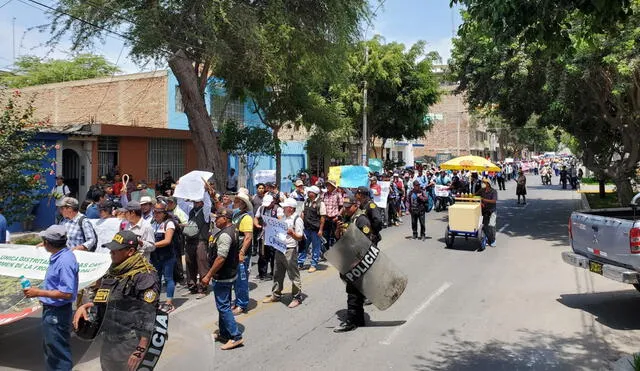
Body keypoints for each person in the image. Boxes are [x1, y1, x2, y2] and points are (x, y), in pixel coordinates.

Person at [73, 230, 159, 371]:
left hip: (130, 343)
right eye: (111, 249)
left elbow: (149, 315)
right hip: (109, 342)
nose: (111, 253)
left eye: (116, 250)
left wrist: (141, 349)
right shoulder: (112, 272)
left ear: (130, 251)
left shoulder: (144, 276)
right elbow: (105, 301)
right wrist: (86, 307)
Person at [25, 225, 78, 371]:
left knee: (58, 352)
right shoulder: (61, 254)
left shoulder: (64, 261)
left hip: (57, 312)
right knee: (52, 349)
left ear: (49, 243)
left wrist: (38, 292)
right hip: (53, 310)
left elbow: (67, 293)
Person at [201, 208, 244, 350]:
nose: (215, 219)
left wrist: (208, 275)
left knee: (223, 306)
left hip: (223, 275)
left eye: (218, 217)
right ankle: (224, 332)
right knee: (223, 304)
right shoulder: (232, 229)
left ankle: (235, 336)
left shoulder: (226, 235)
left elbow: (221, 258)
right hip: (229, 273)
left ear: (225, 218)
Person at [333, 195, 376, 333]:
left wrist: (357, 261)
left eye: (348, 207)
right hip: (349, 259)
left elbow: (367, 241)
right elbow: (339, 238)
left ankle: (351, 321)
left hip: (357, 261)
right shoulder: (348, 218)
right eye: (344, 207)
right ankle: (359, 319)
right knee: (356, 292)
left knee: (353, 292)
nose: (345, 210)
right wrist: (338, 229)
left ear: (355, 205)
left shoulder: (361, 220)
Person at [263, 198, 304, 308]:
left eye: (285, 207)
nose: (283, 208)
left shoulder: (297, 219)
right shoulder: (283, 218)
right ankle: (276, 294)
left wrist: (292, 233)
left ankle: (297, 297)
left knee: (293, 274)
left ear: (290, 208)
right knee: (278, 273)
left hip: (290, 249)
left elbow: (300, 237)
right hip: (280, 248)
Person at [150, 202, 177, 313]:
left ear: (164, 213)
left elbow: (167, 240)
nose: (156, 214)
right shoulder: (153, 223)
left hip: (167, 256)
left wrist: (151, 245)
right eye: (154, 211)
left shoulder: (169, 223)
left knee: (168, 278)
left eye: (159, 212)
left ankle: (169, 303)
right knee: (155, 279)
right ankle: (156, 300)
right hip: (155, 257)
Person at [230, 193, 253, 315]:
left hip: (241, 253)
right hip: (234, 252)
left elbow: (248, 237)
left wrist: (242, 252)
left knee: (241, 280)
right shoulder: (236, 214)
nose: (235, 201)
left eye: (237, 200)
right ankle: (238, 300)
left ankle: (242, 304)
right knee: (235, 279)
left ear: (242, 203)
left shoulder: (246, 218)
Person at [185, 198, 210, 298]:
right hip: (190, 240)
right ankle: (192, 286)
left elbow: (208, 203)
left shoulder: (205, 211)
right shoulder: (191, 210)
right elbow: (180, 203)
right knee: (189, 262)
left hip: (201, 240)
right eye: (194, 201)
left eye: (197, 201)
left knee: (202, 263)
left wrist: (205, 191)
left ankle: (203, 288)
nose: (195, 203)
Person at [298, 186, 326, 273]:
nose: (309, 193)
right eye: (309, 191)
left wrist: (320, 230)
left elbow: (323, 217)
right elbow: (302, 213)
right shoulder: (306, 202)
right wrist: (300, 225)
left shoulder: (320, 203)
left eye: (310, 192)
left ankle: (313, 264)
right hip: (306, 228)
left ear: (314, 193)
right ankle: (300, 263)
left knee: (316, 247)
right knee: (303, 246)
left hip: (315, 229)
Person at [254, 195, 283, 279]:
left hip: (274, 235)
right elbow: (256, 218)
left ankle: (274, 273)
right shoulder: (261, 208)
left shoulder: (278, 209)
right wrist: (257, 224)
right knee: (262, 254)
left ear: (273, 202)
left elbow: (281, 221)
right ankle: (262, 274)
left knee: (273, 254)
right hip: (264, 234)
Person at [476, 178, 498, 250]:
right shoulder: (482, 190)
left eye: (484, 182)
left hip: (492, 211)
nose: (483, 183)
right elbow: (475, 195)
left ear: (488, 184)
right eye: (483, 182)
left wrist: (484, 200)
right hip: (484, 211)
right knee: (484, 226)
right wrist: (481, 202)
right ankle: (488, 239)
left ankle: (493, 240)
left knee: (491, 225)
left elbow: (494, 201)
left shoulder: (493, 191)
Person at [322, 180, 343, 249]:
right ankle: (326, 252)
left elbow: (342, 207)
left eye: (329, 185)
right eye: (327, 185)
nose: (327, 186)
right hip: (326, 218)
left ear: (333, 186)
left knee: (336, 235)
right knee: (325, 236)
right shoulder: (324, 194)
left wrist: (338, 216)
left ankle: (338, 251)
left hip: (334, 218)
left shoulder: (338, 195)